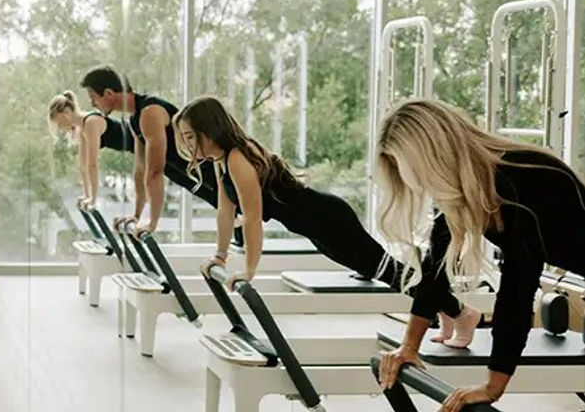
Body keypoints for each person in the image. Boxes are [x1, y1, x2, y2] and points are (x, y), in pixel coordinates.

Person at [179, 96, 481, 347]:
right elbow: (224, 211)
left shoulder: (237, 157)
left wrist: (248, 270)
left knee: (386, 271)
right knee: (386, 270)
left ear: (209, 129)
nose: (188, 144)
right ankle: (446, 308)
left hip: (327, 218)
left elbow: (253, 218)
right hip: (317, 227)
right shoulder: (221, 162)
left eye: (190, 136)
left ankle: (463, 313)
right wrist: (219, 255)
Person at [373, 99, 585, 411]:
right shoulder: (470, 189)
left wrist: (492, 387)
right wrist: (408, 347)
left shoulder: (519, 178)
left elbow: (517, 287)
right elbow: (435, 271)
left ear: (434, 156)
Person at [79, 65, 220, 234]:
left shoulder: (150, 112)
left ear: (109, 93)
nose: (93, 103)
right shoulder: (134, 120)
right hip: (200, 183)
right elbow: (141, 170)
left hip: (218, 177)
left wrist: (152, 224)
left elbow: (155, 172)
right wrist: (136, 216)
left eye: (93, 97)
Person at [47, 90, 134, 209]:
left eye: (59, 122)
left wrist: (94, 199)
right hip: (135, 146)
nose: (60, 127)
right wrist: (86, 195)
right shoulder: (81, 127)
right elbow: (83, 165)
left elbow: (92, 164)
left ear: (66, 113)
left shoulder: (91, 122)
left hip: (141, 137)